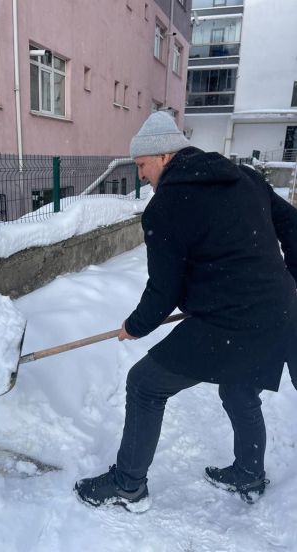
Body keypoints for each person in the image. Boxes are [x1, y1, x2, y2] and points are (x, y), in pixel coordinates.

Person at [74, 111, 297, 512]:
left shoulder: (167, 206)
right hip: (279, 310)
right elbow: (293, 226)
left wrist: (135, 326)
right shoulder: (244, 177)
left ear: (162, 156)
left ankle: (128, 485)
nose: (140, 175)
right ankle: (249, 472)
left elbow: (165, 290)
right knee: (239, 385)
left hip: (231, 320)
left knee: (144, 384)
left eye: (141, 165)